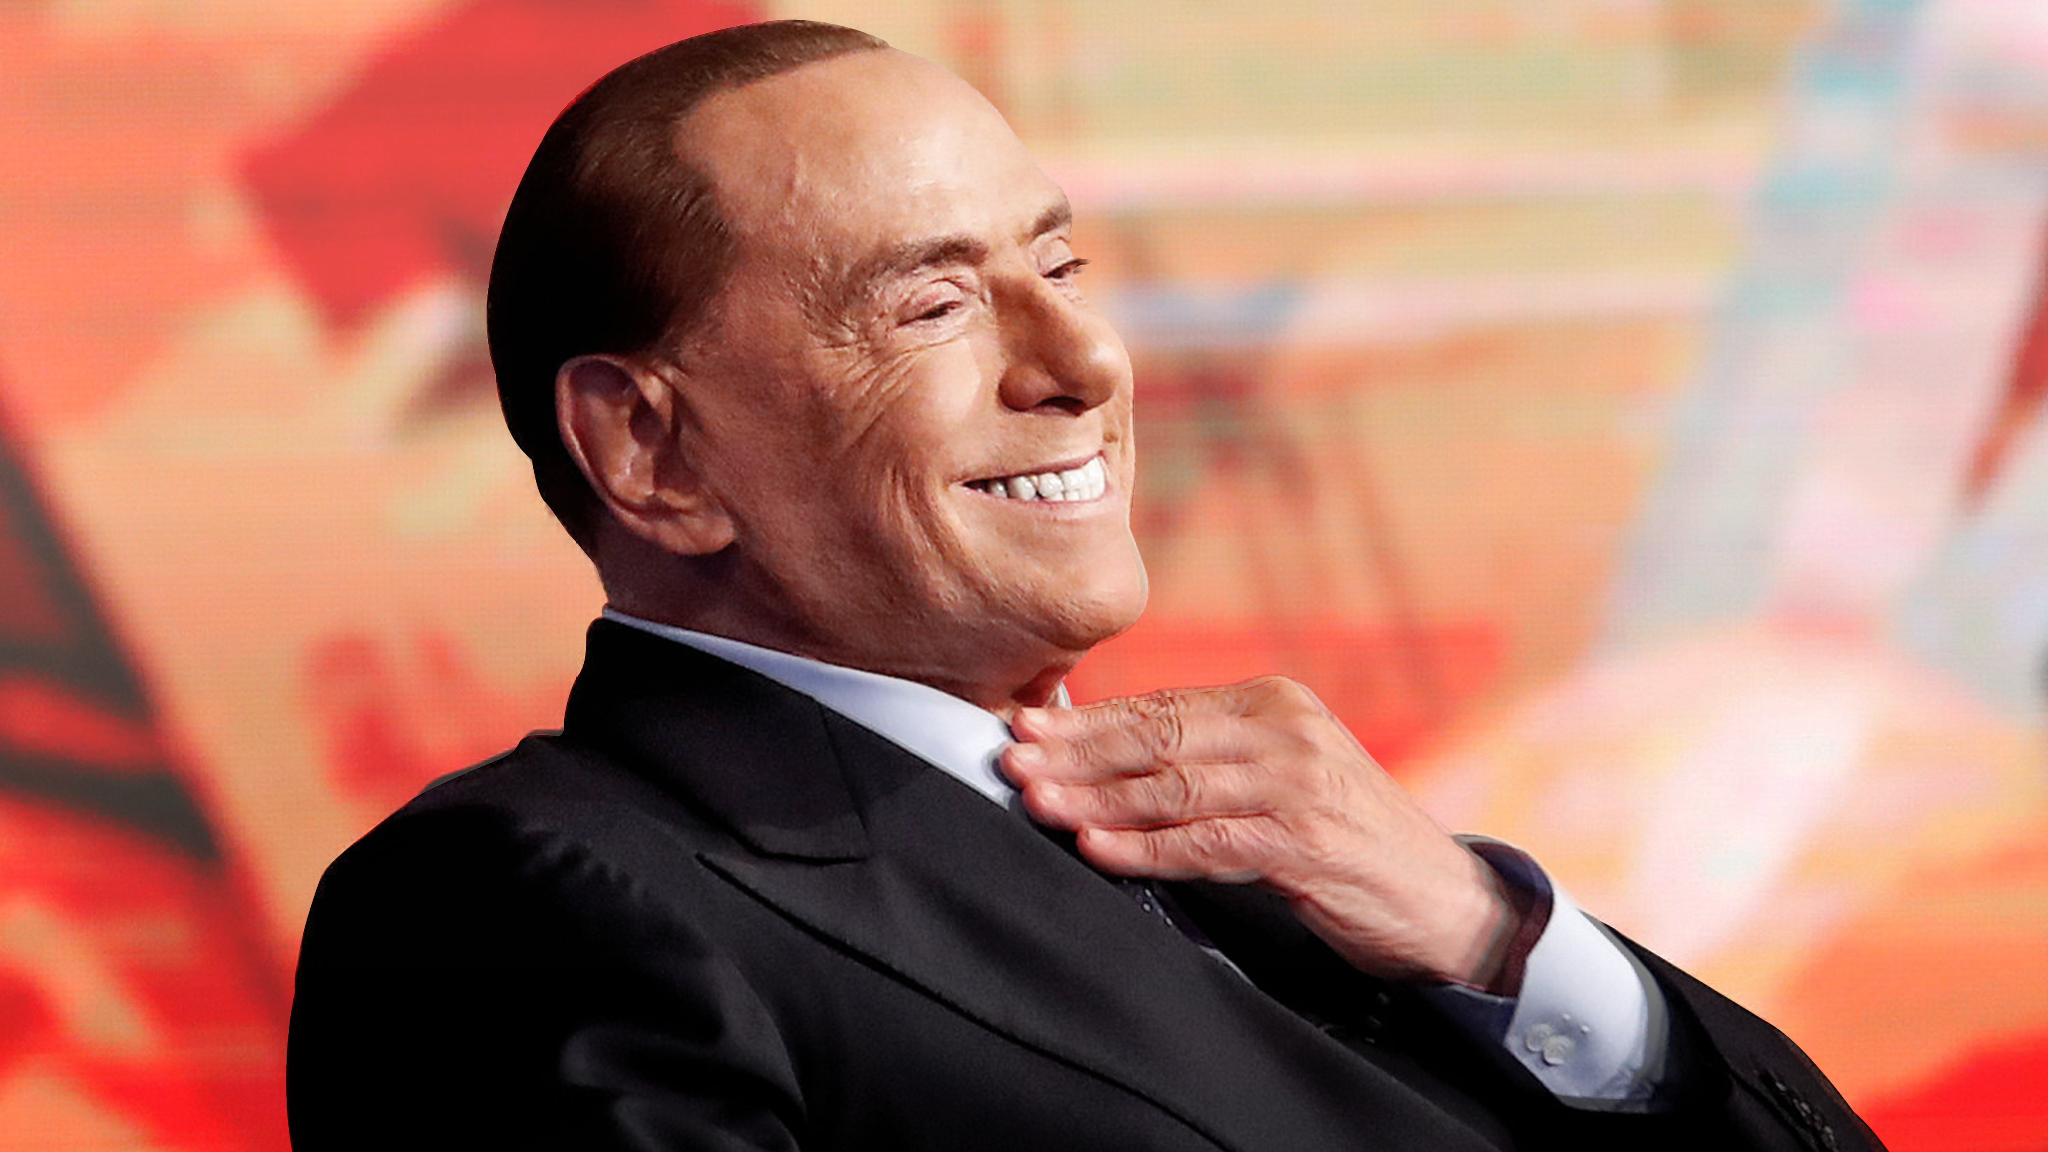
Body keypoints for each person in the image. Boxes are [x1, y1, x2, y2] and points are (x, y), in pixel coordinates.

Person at [286, 21, 1879, 1151]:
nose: (1086, 362)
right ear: (653, 451)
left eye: (1058, 269)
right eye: (929, 305)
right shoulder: (518, 911)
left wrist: (1491, 935)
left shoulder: (1288, 870)